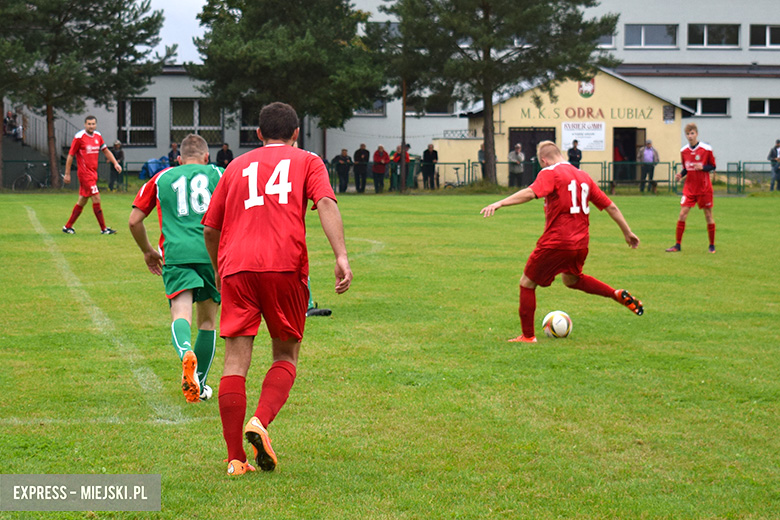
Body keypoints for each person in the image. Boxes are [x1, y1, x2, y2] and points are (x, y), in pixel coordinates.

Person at [202, 102, 352, 476]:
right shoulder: (307, 161)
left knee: (235, 362)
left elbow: (210, 228)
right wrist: (341, 256)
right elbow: (327, 203)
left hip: (237, 267)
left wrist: (221, 269)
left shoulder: (235, 166)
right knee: (285, 355)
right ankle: (260, 421)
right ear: (296, 133)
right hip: (284, 265)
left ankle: (235, 458)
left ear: (258, 134)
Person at [480, 140, 643, 343]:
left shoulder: (550, 173)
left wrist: (500, 202)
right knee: (572, 279)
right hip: (581, 243)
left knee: (527, 283)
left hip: (556, 242)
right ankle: (615, 294)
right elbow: (610, 206)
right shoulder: (584, 176)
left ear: (543, 160)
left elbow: (531, 192)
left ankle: (528, 336)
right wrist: (627, 233)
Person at [129, 134, 223, 404]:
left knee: (180, 313)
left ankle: (185, 353)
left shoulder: (161, 178)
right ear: (207, 157)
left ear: (178, 159)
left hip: (176, 255)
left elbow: (134, 221)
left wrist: (148, 251)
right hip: (211, 254)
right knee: (207, 321)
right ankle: (200, 383)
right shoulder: (219, 173)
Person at [62, 115, 122, 235]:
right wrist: (67, 174)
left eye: (93, 124)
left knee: (82, 200)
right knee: (96, 197)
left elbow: (105, 150)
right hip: (85, 174)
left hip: (93, 173)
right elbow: (70, 155)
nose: (91, 126)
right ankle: (103, 229)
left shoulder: (98, 136)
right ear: (85, 124)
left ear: (96, 124)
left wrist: (115, 162)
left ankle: (68, 227)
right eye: (89, 124)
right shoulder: (79, 137)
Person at [666, 123, 717, 253]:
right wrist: (680, 175)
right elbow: (686, 168)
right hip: (689, 188)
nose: (690, 136)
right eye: (688, 134)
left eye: (692, 133)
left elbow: (713, 166)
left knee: (708, 215)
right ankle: (677, 245)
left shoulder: (706, 149)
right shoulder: (684, 151)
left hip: (704, 188)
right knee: (682, 214)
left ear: (696, 134)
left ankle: (711, 245)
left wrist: (703, 168)